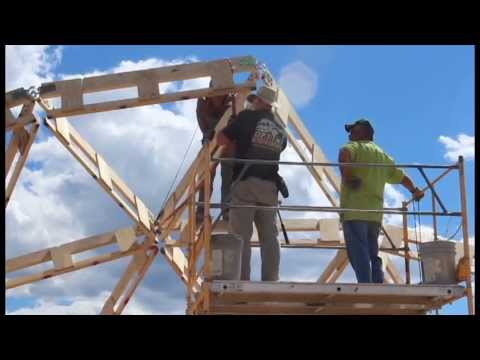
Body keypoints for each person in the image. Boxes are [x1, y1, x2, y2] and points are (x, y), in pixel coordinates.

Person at [339, 119, 425, 283]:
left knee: (359, 252)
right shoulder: (382, 156)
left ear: (363, 133)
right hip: (375, 214)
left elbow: (345, 153)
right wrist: (415, 190)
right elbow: (401, 176)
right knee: (373, 251)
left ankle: (365, 285)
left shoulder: (354, 147)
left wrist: (348, 176)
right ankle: (377, 283)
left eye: (353, 131)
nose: (350, 135)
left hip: (355, 210)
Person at [217, 86, 287, 281]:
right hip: (270, 187)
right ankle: (271, 279)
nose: (253, 102)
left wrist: (233, 127)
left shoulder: (247, 117)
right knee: (270, 237)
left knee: (240, 235)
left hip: (246, 183)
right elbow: (278, 148)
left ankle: (241, 279)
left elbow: (221, 139)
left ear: (261, 102)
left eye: (255, 100)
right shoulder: (280, 129)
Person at [196, 80, 233, 221]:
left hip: (225, 143)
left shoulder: (231, 99)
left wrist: (208, 133)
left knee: (224, 176)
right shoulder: (204, 100)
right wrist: (207, 133)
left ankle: (220, 210)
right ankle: (209, 211)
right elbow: (201, 120)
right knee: (212, 177)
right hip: (217, 142)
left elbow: (231, 118)